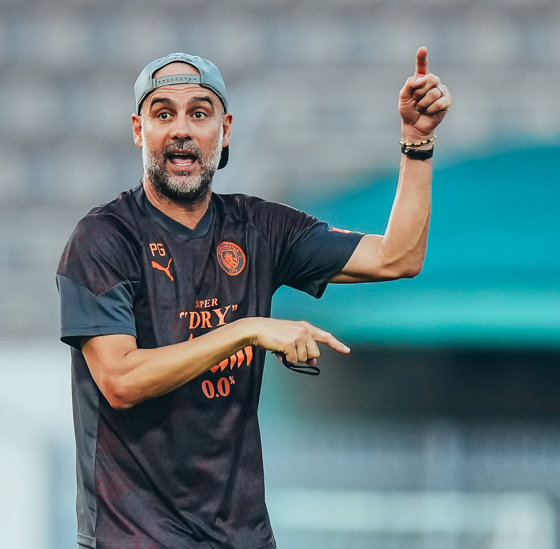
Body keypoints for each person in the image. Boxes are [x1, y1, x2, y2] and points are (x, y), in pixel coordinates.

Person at [57, 50, 451, 549]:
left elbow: (398, 257)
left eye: (199, 113)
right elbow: (121, 380)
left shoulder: (260, 228)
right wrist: (247, 328)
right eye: (163, 114)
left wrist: (417, 143)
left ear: (225, 130)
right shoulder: (103, 239)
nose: (181, 129)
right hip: (133, 537)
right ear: (139, 130)